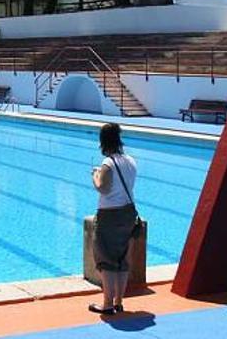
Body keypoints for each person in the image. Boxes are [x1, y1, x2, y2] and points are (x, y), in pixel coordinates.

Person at [88, 122, 138, 315]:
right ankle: (118, 301)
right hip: (128, 212)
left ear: (103, 142)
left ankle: (107, 303)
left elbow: (104, 188)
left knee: (106, 258)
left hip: (110, 214)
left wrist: (95, 175)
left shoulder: (108, 164)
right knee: (122, 259)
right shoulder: (130, 161)